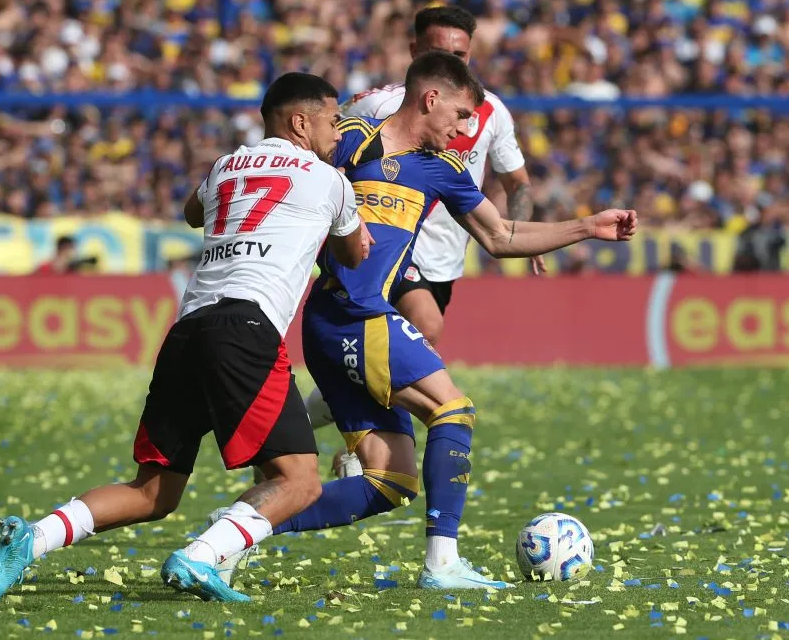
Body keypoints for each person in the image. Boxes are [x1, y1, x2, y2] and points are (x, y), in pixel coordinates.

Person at [216, 51, 637, 594]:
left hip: (341, 321)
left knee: (389, 481)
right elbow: (277, 165)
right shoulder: (345, 139)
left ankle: (229, 534)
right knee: (452, 408)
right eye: (462, 115)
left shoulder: (443, 171)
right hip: (352, 311)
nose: (467, 130)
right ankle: (442, 565)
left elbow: (501, 236)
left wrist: (586, 227)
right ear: (431, 99)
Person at [0, 72, 369, 604]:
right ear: (300, 122)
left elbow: (192, 213)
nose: (338, 131)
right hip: (246, 328)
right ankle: (202, 556)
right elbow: (354, 254)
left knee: (153, 490)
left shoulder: (226, 164)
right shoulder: (329, 179)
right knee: (300, 482)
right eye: (331, 118)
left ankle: (31, 539)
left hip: (188, 329)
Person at [307, 5, 548, 475]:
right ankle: (367, 448)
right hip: (381, 249)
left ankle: (315, 426)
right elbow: (324, 152)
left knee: (389, 359)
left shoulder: (490, 112)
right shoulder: (376, 107)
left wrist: (518, 230)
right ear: (417, 53)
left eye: (462, 53)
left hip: (443, 257)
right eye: (441, 52)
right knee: (426, 328)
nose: (455, 60)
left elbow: (517, 182)